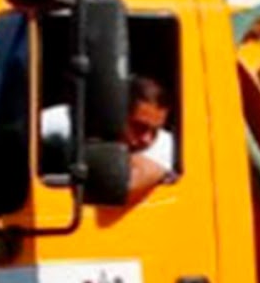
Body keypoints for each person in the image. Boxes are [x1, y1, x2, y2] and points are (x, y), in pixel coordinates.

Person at [40, 75, 177, 200]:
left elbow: (123, 184)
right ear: (112, 114)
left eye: (155, 130)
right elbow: (21, 138)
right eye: (139, 126)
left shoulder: (167, 146)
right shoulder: (68, 120)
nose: (147, 139)